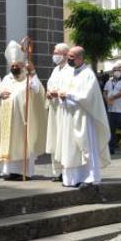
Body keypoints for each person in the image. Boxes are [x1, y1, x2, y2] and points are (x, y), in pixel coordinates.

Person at [56, 46, 112, 188]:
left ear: (81, 58)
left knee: (85, 147)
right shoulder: (69, 74)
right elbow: (63, 90)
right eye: (68, 56)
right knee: (71, 148)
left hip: (84, 117)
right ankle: (71, 179)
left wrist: (68, 95)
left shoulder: (88, 74)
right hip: (69, 116)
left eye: (72, 57)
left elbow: (87, 96)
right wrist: (60, 95)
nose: (69, 59)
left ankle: (88, 178)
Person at [0, 41, 46, 180]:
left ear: (23, 65)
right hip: (7, 119)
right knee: (10, 145)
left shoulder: (28, 78)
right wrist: (0, 95)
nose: (14, 67)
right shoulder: (6, 79)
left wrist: (33, 72)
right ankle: (11, 171)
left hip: (23, 119)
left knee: (22, 144)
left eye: (16, 65)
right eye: (12, 66)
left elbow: (38, 90)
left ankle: (25, 172)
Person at [45, 43, 71, 182]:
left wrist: (59, 93)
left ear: (65, 54)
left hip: (64, 110)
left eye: (57, 53)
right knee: (55, 140)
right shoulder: (55, 70)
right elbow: (49, 85)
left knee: (63, 140)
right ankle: (57, 172)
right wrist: (49, 93)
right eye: (54, 52)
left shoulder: (70, 70)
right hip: (54, 110)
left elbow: (71, 89)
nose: (54, 55)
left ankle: (66, 170)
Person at [103, 67, 121, 156]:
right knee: (111, 130)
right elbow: (104, 92)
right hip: (111, 109)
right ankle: (111, 148)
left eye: (118, 70)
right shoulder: (109, 82)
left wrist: (112, 97)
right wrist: (107, 99)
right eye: (114, 71)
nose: (116, 72)